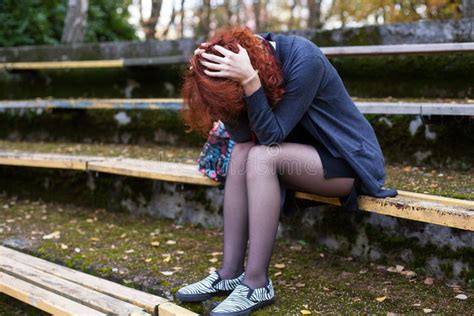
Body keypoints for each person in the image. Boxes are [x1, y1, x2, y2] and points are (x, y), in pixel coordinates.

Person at [177, 25, 397, 316]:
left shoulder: (304, 59)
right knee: (242, 151)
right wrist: (210, 84)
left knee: (260, 157)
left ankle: (257, 284)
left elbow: (271, 136)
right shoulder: (256, 63)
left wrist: (250, 81)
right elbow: (244, 137)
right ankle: (229, 274)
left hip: (346, 159)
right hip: (300, 154)